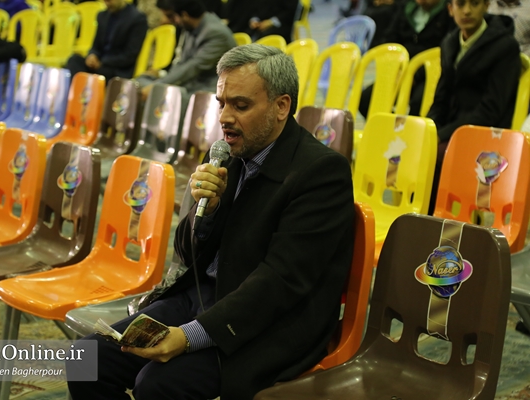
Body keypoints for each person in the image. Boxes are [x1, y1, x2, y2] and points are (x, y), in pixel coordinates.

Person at [67, 44, 355, 400]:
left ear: (281, 106)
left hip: (270, 321)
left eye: (240, 105)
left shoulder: (321, 172)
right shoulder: (226, 152)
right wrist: (209, 212)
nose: (224, 117)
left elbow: (280, 281)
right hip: (205, 295)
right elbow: (186, 254)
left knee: (157, 385)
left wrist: (190, 335)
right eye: (221, 103)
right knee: (85, 360)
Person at [426, 0, 520, 212]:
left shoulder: (505, 46)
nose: (467, 11)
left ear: (486, 6)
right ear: (450, 10)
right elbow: (441, 100)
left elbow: (491, 111)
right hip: (453, 130)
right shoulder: (450, 42)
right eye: (460, 4)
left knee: (436, 155)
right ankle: (420, 217)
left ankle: (436, 218)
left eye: (475, 3)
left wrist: (442, 135)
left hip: (486, 133)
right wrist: (428, 130)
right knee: (417, 146)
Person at [360, 0, 454, 117]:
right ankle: (392, 126)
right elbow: (389, 40)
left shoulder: (448, 13)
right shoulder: (407, 9)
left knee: (419, 104)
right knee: (366, 100)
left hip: (429, 75)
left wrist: (413, 74)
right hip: (400, 72)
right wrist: (396, 68)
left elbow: (446, 53)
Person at [137, 0, 235, 99]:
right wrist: (161, 79)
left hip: (208, 88)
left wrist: (158, 86)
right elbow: (181, 62)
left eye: (175, 16)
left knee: (160, 93)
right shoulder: (191, 27)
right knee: (140, 82)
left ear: (185, 15)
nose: (175, 21)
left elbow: (193, 67)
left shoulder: (216, 33)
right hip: (189, 83)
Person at [65, 0, 148, 81]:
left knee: (103, 73)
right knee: (74, 60)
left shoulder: (137, 19)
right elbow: (96, 46)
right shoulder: (102, 16)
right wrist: (92, 55)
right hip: (99, 64)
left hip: (116, 69)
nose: (107, 3)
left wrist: (102, 62)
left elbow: (129, 55)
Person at [224, 0, 299, 43]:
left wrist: (271, 22)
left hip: (280, 25)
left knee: (266, 36)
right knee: (242, 32)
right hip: (260, 23)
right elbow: (255, 7)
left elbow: (290, 12)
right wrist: (254, 19)